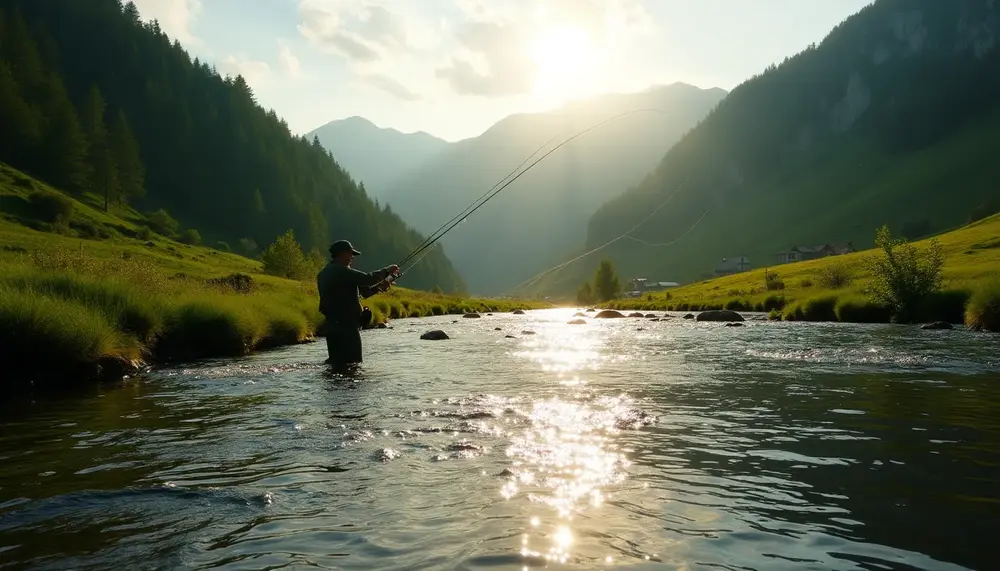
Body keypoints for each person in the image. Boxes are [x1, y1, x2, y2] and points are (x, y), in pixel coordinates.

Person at [316, 240, 399, 367]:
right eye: (350, 254)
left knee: (336, 363)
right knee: (354, 363)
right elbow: (367, 278)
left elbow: (363, 292)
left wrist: (379, 287)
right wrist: (386, 271)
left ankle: (335, 387)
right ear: (342, 254)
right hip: (347, 326)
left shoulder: (324, 273)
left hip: (332, 326)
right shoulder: (342, 271)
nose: (352, 258)